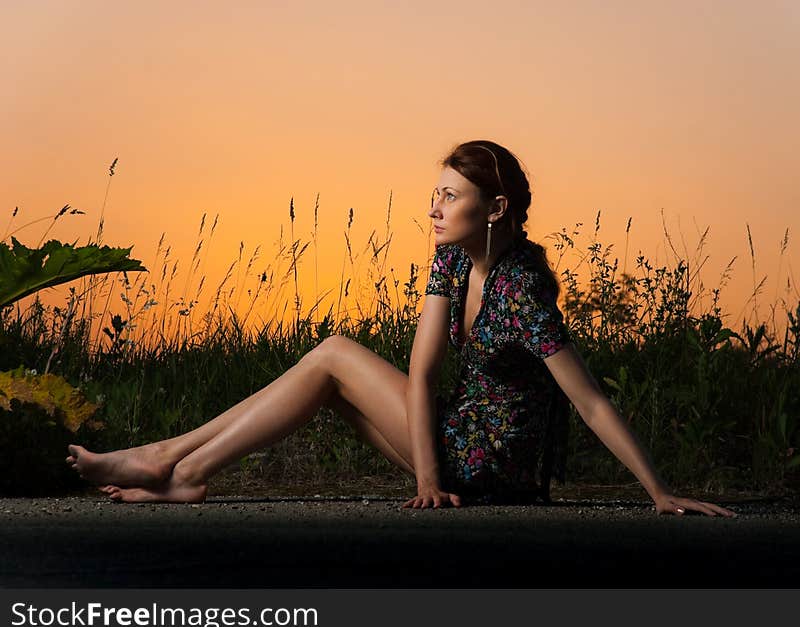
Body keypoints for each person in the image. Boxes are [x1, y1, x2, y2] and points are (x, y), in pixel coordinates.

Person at [67, 139, 735, 517]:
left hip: (490, 467)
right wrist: (425, 475)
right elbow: (419, 373)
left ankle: (172, 464)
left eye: (450, 196)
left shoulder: (524, 290)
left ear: (496, 207)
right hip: (451, 448)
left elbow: (588, 398)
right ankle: (172, 463)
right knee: (325, 376)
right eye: (436, 193)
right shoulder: (450, 262)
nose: (434, 207)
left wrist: (659, 490)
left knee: (330, 355)